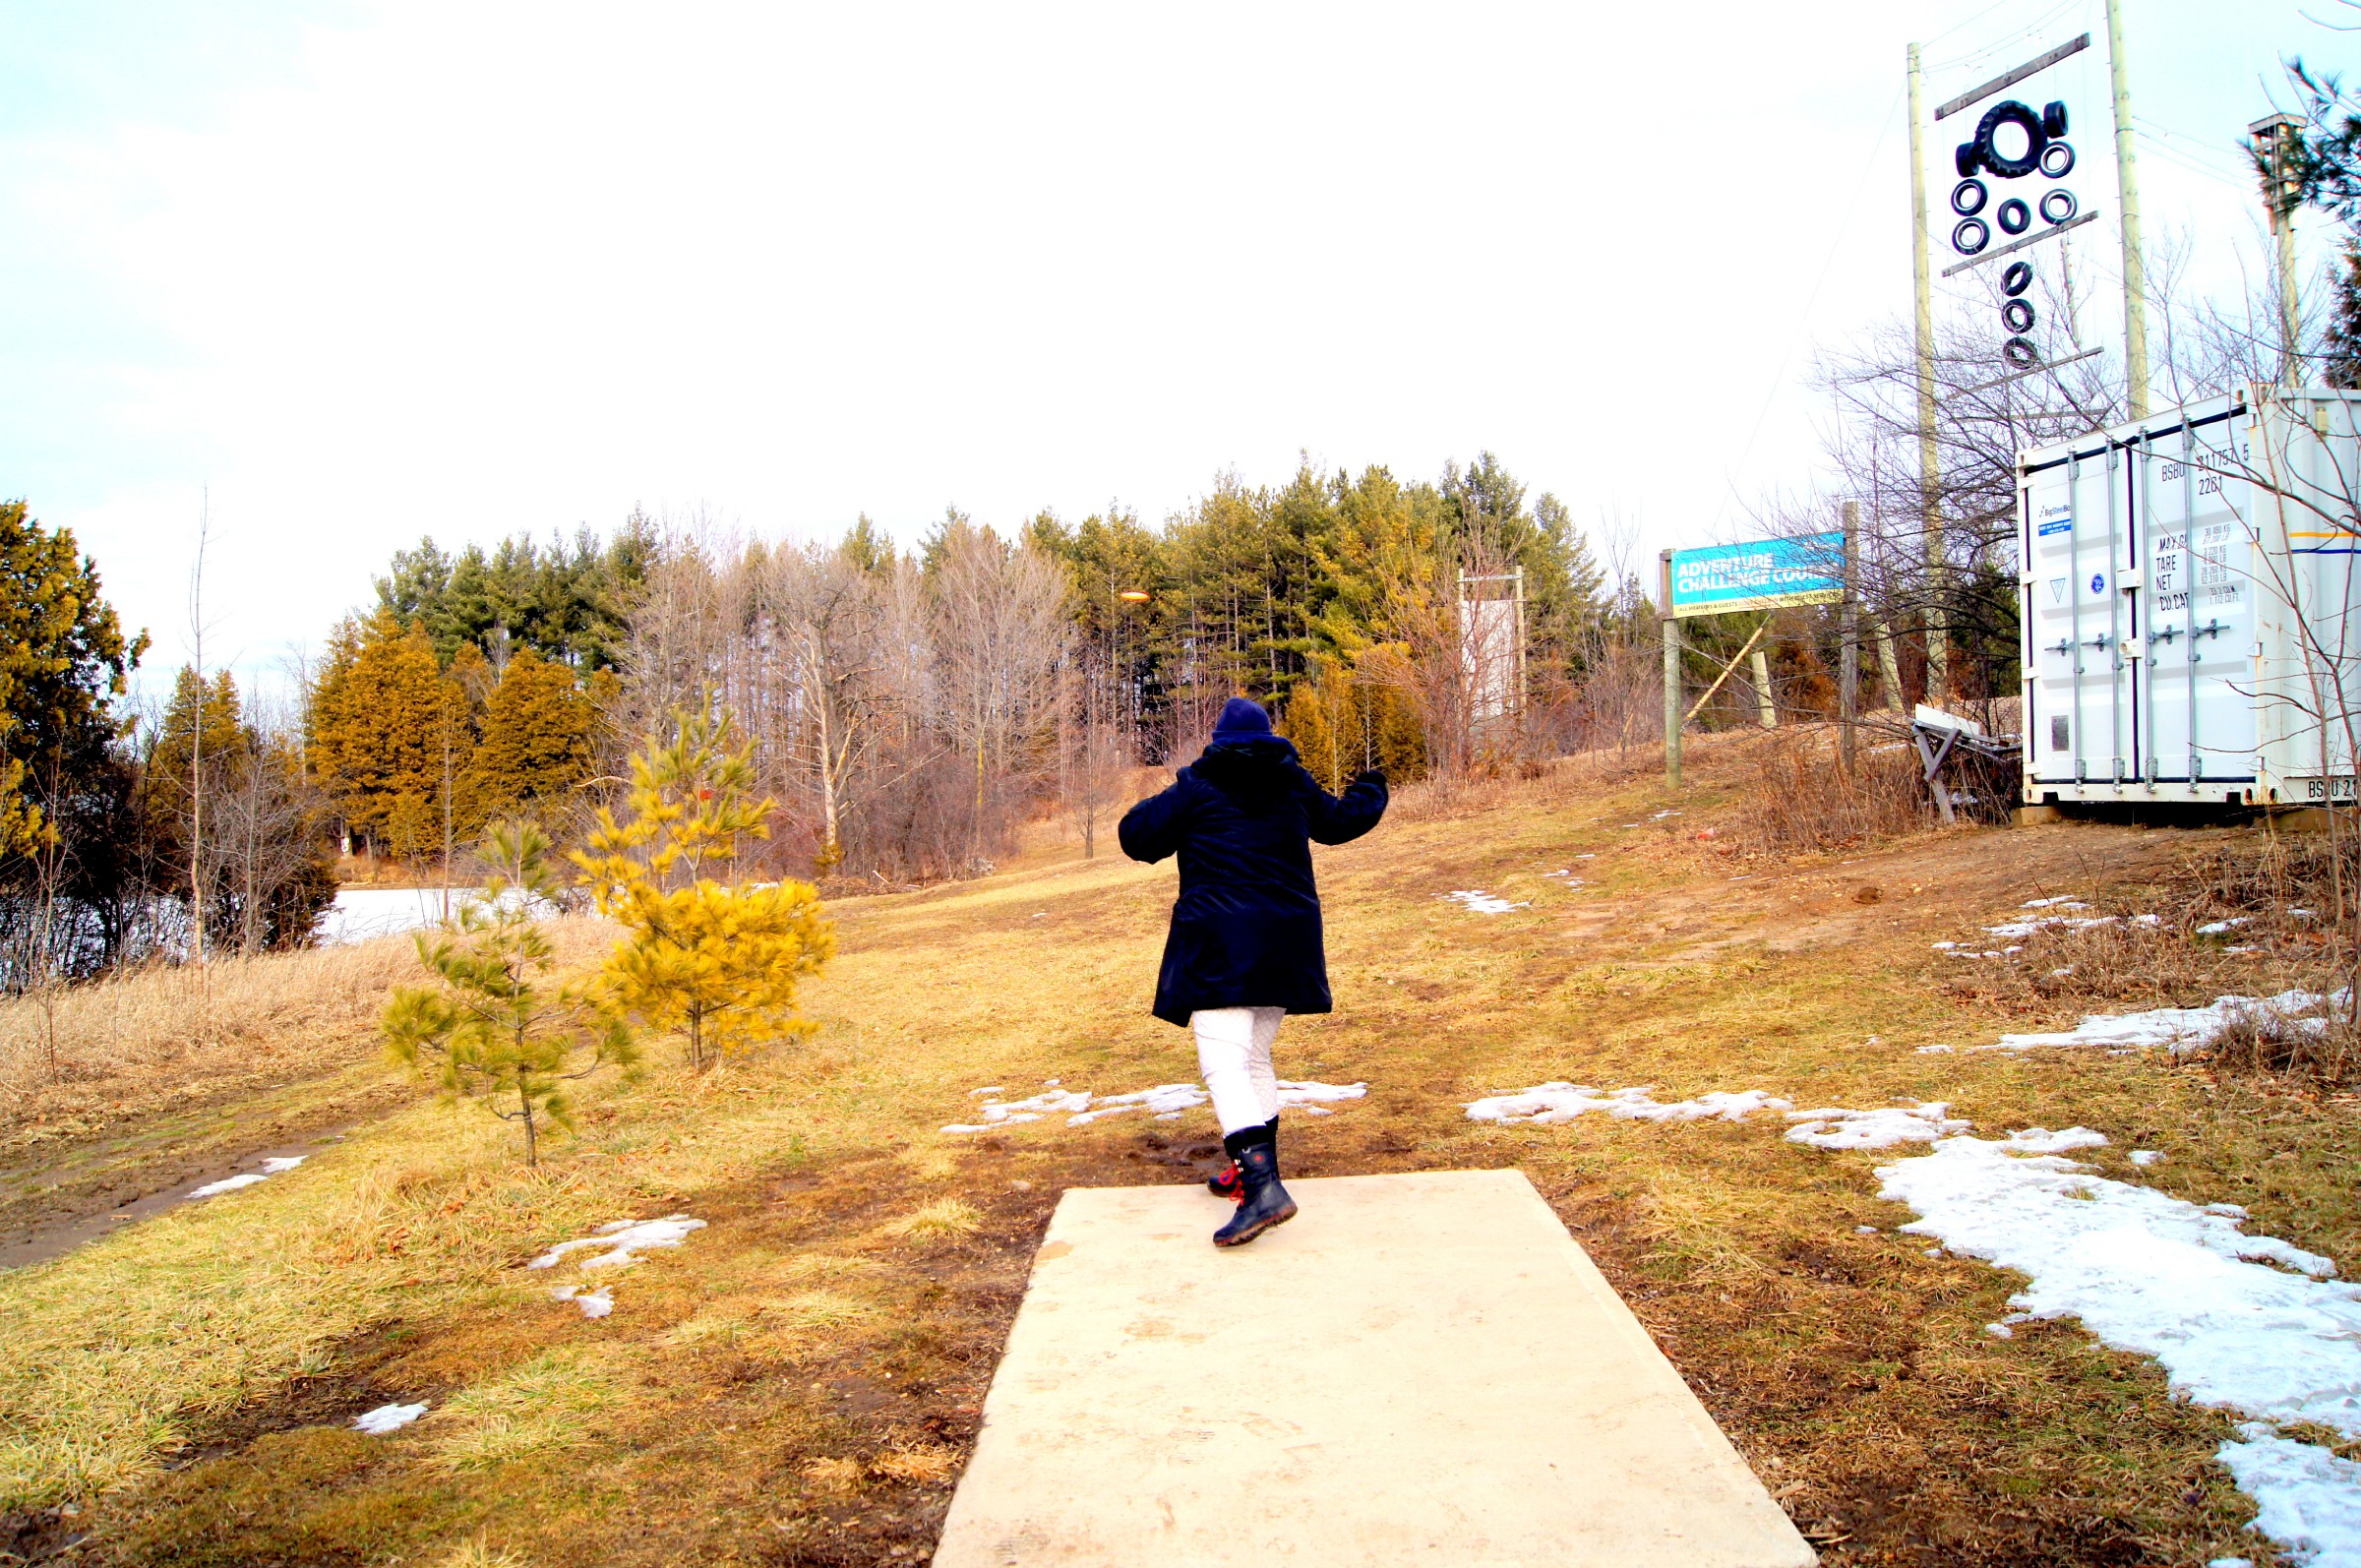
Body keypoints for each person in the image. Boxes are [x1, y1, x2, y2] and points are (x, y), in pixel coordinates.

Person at [1118, 695, 1388, 1246]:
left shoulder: (1198, 785)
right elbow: (1342, 822)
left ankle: (1263, 1190)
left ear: (1217, 740)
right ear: (1270, 738)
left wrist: (1171, 791)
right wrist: (1373, 783)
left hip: (1221, 946)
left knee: (1223, 1065)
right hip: (1285, 944)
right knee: (1254, 1056)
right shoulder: (1294, 783)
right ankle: (1252, 1171)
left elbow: (1136, 837)